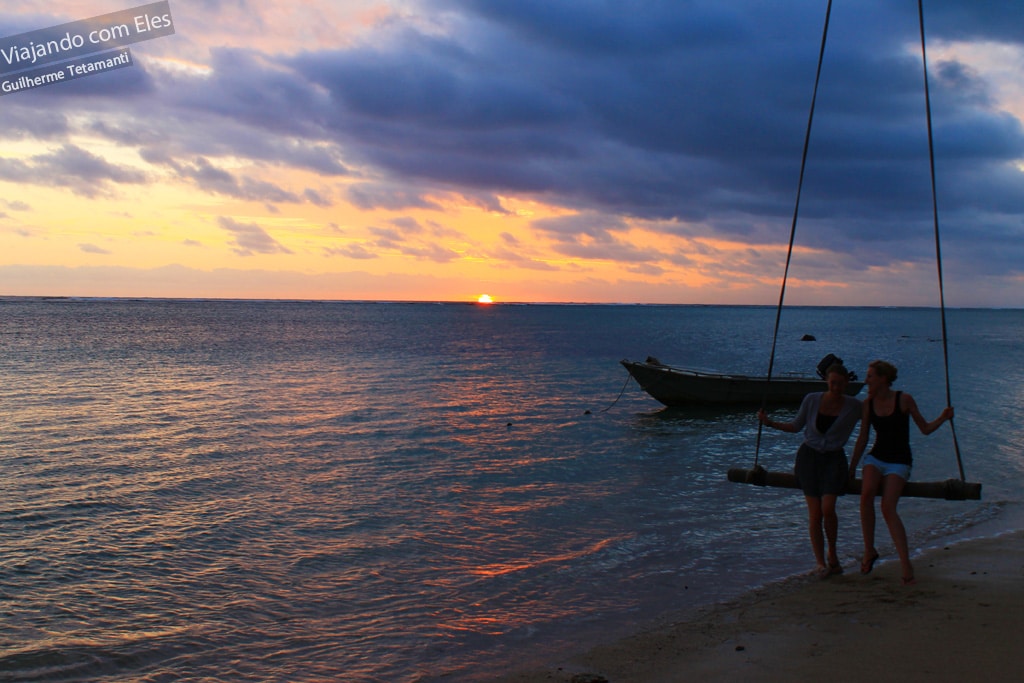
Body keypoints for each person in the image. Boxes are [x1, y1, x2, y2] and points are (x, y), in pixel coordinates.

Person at [848, 360, 954, 586]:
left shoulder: (903, 400)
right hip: (876, 457)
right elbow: (863, 438)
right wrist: (852, 466)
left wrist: (943, 418)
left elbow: (924, 429)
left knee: (888, 507)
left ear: (883, 379)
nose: (866, 380)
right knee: (866, 495)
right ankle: (869, 550)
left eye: (870, 377)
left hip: (899, 461)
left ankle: (906, 564)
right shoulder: (867, 404)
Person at [759, 362, 862, 579]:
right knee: (815, 513)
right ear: (826, 381)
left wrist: (854, 465)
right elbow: (796, 426)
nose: (836, 388)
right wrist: (769, 423)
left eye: (841, 384)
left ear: (846, 384)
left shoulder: (854, 406)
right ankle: (820, 562)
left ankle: (832, 553)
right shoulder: (812, 399)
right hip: (808, 458)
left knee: (828, 507)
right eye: (833, 383)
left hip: (834, 460)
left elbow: (873, 423)